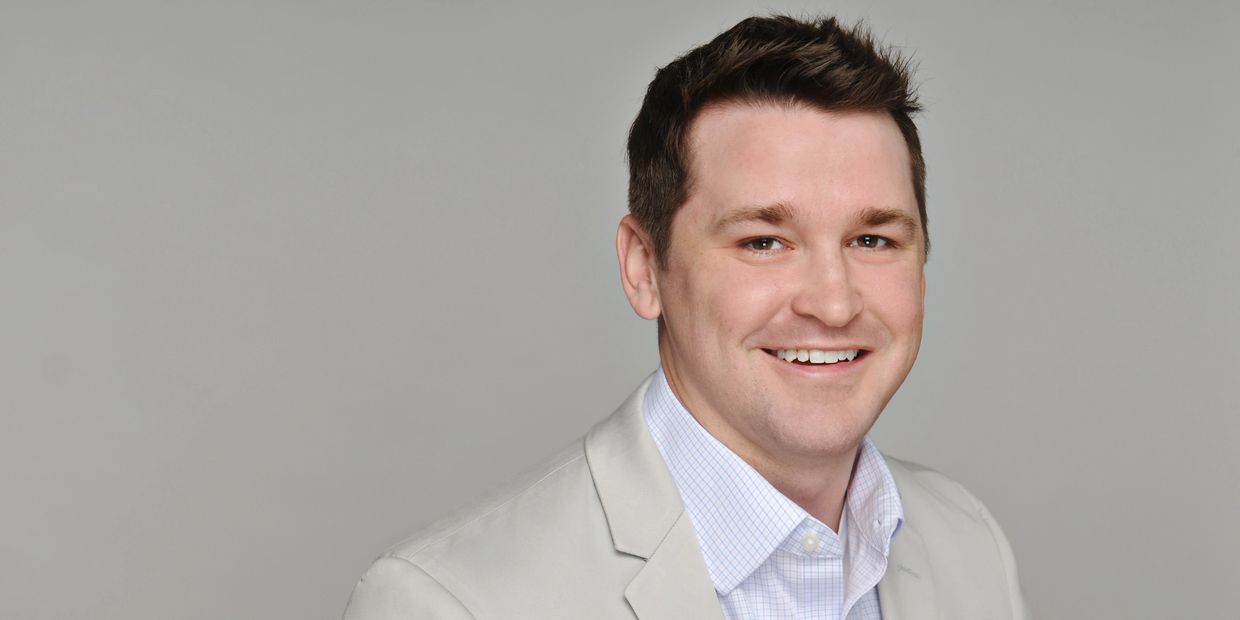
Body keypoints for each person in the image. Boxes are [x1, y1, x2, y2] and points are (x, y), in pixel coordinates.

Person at [343, 14, 1029, 620]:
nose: (834, 301)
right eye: (763, 241)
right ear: (645, 269)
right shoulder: (445, 604)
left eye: (872, 240)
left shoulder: (969, 544)